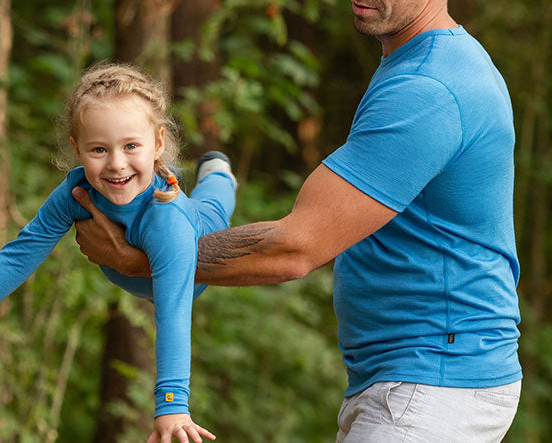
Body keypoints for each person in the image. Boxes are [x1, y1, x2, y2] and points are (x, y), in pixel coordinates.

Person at [70, 1, 522, 441]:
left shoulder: (427, 88)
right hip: (412, 376)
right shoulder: (424, 63)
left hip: (436, 380)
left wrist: (139, 260)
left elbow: (296, 246)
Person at [0, 62, 239, 443]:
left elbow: (172, 311)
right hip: (155, 256)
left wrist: (172, 405)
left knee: (214, 205)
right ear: (77, 149)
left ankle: (219, 169)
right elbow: (19, 255)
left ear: (157, 144)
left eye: (131, 146)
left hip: (199, 241)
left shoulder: (166, 223)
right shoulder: (77, 193)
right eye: (99, 149)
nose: (116, 164)